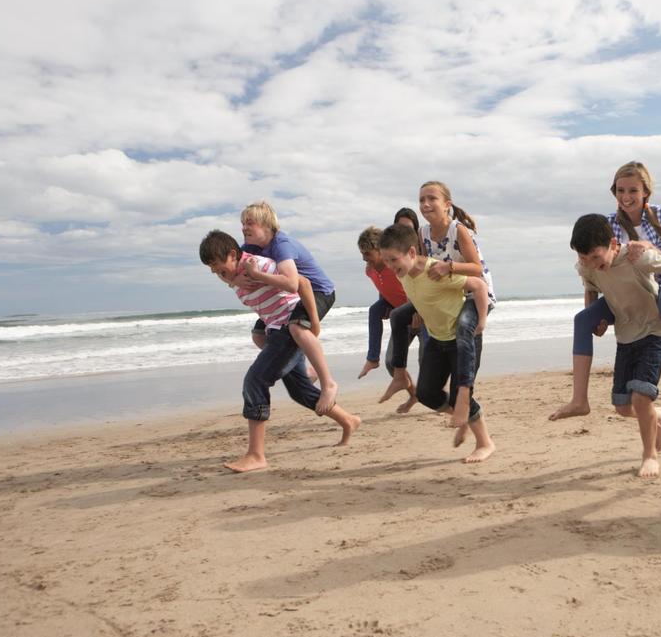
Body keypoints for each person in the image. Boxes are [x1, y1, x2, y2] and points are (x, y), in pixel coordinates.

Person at [198, 230, 361, 472]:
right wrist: (231, 279)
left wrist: (313, 325)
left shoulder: (261, 266)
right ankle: (348, 420)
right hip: (275, 330)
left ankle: (256, 455)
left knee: (255, 380)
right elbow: (259, 300)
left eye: (218, 267)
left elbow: (302, 284)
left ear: (233, 255)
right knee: (300, 390)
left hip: (289, 327)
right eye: (212, 270)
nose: (216, 274)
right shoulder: (236, 278)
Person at [551, 162, 661, 423]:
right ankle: (579, 399)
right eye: (620, 190)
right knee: (582, 319)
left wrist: (645, 245)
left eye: (633, 190)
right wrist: (597, 318)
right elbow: (596, 272)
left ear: (645, 193)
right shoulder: (608, 223)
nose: (626, 196)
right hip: (625, 286)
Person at [568, 214, 661, 478]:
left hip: (654, 333)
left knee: (640, 396)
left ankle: (650, 456)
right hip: (625, 337)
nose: (591, 264)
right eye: (584, 259)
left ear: (613, 243)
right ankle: (656, 415)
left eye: (596, 257)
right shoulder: (587, 266)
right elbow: (591, 288)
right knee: (623, 408)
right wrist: (594, 318)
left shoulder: (637, 258)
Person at [381, 181, 497, 433]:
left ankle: (464, 396)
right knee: (400, 316)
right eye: (421, 199)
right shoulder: (422, 233)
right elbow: (420, 269)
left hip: (473, 294)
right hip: (446, 293)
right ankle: (400, 375)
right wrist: (419, 311)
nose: (425, 204)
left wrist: (450, 267)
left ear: (447, 205)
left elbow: (478, 270)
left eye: (431, 199)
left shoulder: (458, 230)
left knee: (465, 328)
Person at [237, 202, 339, 416]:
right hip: (291, 298)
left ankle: (327, 382)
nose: (244, 228)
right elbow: (235, 266)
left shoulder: (282, 244)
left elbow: (293, 283)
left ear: (266, 225)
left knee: (297, 329)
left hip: (320, 292)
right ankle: (298, 366)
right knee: (259, 335)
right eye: (242, 223)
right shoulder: (251, 247)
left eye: (249, 222)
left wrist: (257, 276)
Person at [356, 226, 424, 413]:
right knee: (392, 363)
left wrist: (417, 310)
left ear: (380, 250)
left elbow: (414, 285)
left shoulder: (395, 265)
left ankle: (448, 400)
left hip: (423, 316)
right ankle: (414, 394)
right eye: (362, 254)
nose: (364, 258)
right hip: (402, 320)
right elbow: (384, 289)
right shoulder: (370, 271)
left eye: (367, 253)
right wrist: (385, 304)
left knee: (428, 364)